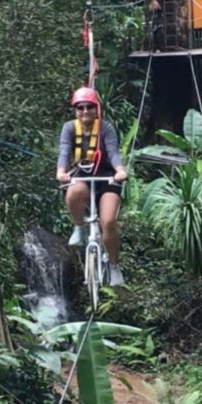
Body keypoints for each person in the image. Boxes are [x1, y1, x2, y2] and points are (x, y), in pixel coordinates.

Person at [56, 86, 128, 287]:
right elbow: (64, 151)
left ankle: (114, 266)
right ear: (75, 110)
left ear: (96, 109)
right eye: (80, 108)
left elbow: (113, 152)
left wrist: (120, 170)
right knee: (74, 193)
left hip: (107, 178)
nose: (85, 111)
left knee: (108, 222)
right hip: (82, 175)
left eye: (89, 107)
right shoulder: (69, 128)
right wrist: (61, 171)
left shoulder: (106, 128)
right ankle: (79, 227)